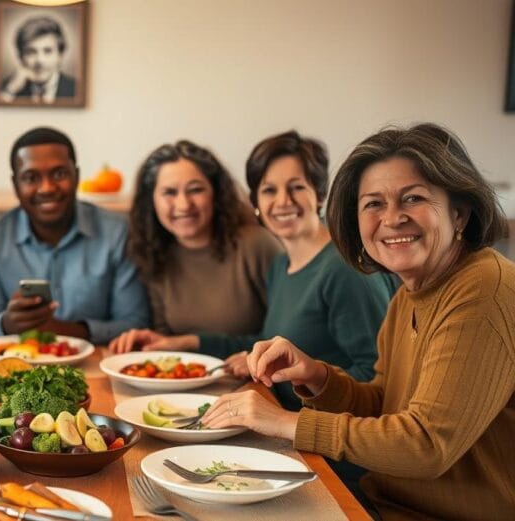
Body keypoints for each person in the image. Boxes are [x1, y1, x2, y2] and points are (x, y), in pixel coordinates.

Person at [202, 124, 514, 520]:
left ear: (460, 213)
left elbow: (427, 445)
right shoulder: (411, 291)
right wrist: (318, 376)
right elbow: (383, 403)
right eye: (373, 204)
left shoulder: (484, 289)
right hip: (383, 501)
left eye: (413, 198)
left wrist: (285, 422)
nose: (392, 218)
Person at [110, 132, 394, 411]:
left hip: (316, 429)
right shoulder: (282, 266)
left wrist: (289, 376)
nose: (283, 201)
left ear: (319, 194)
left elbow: (376, 381)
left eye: (296, 187)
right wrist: (190, 343)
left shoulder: (345, 268)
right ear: (255, 200)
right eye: (269, 190)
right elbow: (270, 341)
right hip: (275, 410)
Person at [0, 127, 149, 344]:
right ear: (15, 185)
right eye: (31, 178)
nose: (47, 188)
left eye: (59, 174)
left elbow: (135, 323)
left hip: (98, 360)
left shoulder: (117, 233)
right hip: (19, 361)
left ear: (77, 176)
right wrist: (7, 324)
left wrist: (64, 330)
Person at [109, 140, 282, 349]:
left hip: (256, 368)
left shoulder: (257, 245)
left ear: (216, 194)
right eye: (169, 192)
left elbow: (287, 337)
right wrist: (150, 341)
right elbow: (169, 340)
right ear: (151, 201)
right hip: (191, 370)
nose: (183, 205)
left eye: (196, 190)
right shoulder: (154, 253)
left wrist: (193, 342)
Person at [0, 15, 76, 104]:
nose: (40, 60)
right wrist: (11, 91)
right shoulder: (6, 89)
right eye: (31, 52)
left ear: (60, 55)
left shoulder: (76, 89)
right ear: (21, 57)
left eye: (48, 51)